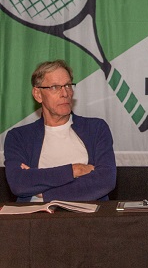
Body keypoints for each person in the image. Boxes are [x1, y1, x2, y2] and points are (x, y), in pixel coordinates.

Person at [4, 60, 117, 202]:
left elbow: (105, 181)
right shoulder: (19, 137)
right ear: (38, 94)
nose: (65, 93)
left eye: (68, 85)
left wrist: (44, 193)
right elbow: (19, 184)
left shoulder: (96, 129)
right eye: (55, 87)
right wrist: (75, 170)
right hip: (37, 215)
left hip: (88, 215)